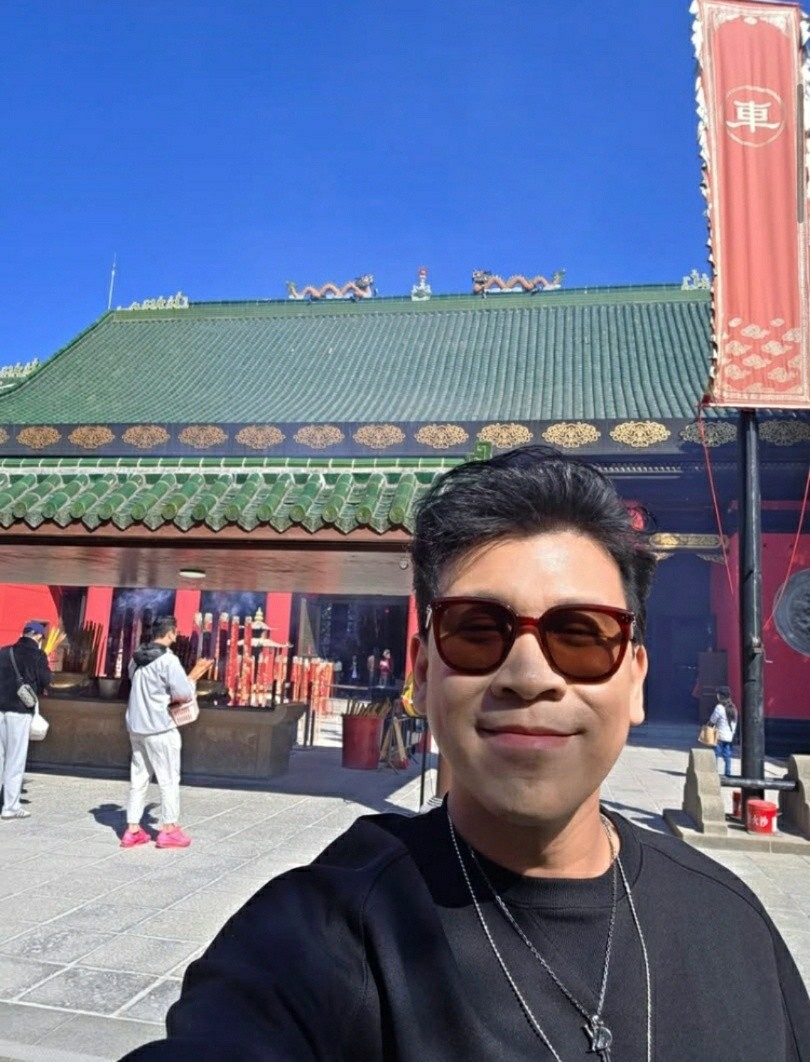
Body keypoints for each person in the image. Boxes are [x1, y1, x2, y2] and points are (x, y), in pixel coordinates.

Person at [122, 445, 810, 1060]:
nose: (529, 675)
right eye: (477, 631)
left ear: (635, 680)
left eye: (580, 634)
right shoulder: (319, 940)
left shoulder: (732, 926)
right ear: (423, 672)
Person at [120, 615, 195, 850]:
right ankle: (169, 829)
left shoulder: (135, 659)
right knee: (168, 779)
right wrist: (192, 680)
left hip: (136, 726)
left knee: (138, 779)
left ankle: (133, 829)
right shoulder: (168, 660)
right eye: (175, 632)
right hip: (160, 727)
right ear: (171, 633)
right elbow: (183, 693)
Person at [0, 621, 52, 820]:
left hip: (0, 709)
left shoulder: (4, 652)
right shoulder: (38, 655)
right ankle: (10, 807)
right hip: (20, 712)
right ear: (38, 636)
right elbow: (45, 680)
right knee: (15, 759)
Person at [709, 685, 738, 777]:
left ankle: (713, 771)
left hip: (719, 736)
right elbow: (735, 723)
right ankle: (727, 773)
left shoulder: (719, 708)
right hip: (729, 736)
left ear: (719, 696)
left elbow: (712, 720)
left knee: (715, 754)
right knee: (727, 755)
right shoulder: (733, 708)